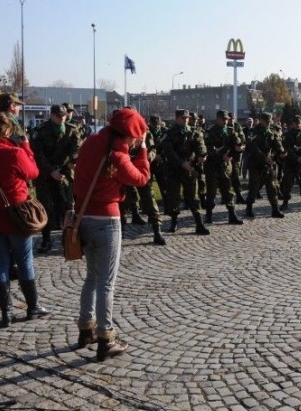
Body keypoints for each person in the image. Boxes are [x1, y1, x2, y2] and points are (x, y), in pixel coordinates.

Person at [73, 107, 150, 361]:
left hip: (84, 217)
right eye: (136, 138)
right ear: (130, 134)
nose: (136, 142)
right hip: (107, 220)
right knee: (106, 283)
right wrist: (145, 152)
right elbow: (141, 178)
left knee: (91, 278)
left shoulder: (91, 142)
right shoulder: (117, 155)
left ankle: (86, 330)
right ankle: (106, 339)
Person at [0, 113, 47, 327]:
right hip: (15, 214)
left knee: (0, 263)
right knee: (24, 260)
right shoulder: (14, 153)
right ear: (6, 131)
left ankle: (6, 312)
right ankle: (33, 307)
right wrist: (27, 148)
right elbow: (33, 173)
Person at [31, 104, 81, 253]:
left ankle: (68, 240)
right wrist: (51, 171)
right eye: (58, 116)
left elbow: (76, 149)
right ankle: (46, 239)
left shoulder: (72, 130)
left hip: (64, 173)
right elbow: (38, 154)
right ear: (51, 115)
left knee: (67, 207)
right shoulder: (40, 131)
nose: (61, 119)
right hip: (46, 175)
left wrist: (69, 164)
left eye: (64, 116)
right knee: (46, 207)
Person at [161, 109, 209, 234]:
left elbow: (200, 144)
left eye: (187, 118)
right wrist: (182, 163)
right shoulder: (170, 133)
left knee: (193, 197)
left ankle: (199, 224)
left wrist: (202, 155)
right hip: (174, 169)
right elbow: (168, 151)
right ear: (177, 118)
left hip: (190, 168)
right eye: (183, 118)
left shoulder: (193, 131)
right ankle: (174, 222)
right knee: (174, 197)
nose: (186, 120)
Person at [203, 110, 244, 225]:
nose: (226, 122)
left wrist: (234, 153)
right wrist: (222, 155)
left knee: (227, 190)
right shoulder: (210, 132)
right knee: (211, 191)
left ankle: (232, 215)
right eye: (223, 119)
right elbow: (208, 149)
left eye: (227, 119)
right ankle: (209, 215)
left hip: (225, 166)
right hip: (212, 166)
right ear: (218, 119)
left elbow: (237, 144)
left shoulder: (231, 131)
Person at [244, 112, 286, 218]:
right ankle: (249, 208)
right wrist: (264, 157)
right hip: (255, 164)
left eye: (269, 121)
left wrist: (281, 152)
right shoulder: (253, 132)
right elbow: (253, 148)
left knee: (272, 187)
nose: (268, 123)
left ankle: (275, 209)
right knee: (254, 188)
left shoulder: (271, 131)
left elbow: (277, 143)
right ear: (261, 120)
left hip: (268, 164)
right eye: (266, 121)